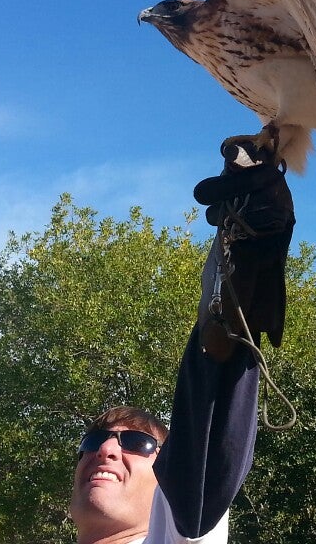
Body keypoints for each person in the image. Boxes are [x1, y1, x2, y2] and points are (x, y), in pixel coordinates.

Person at [70, 142, 295, 544]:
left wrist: (246, 260)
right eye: (92, 440)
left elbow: (204, 464)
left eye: (137, 444)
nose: (105, 450)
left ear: (167, 481)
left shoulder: (181, 526)